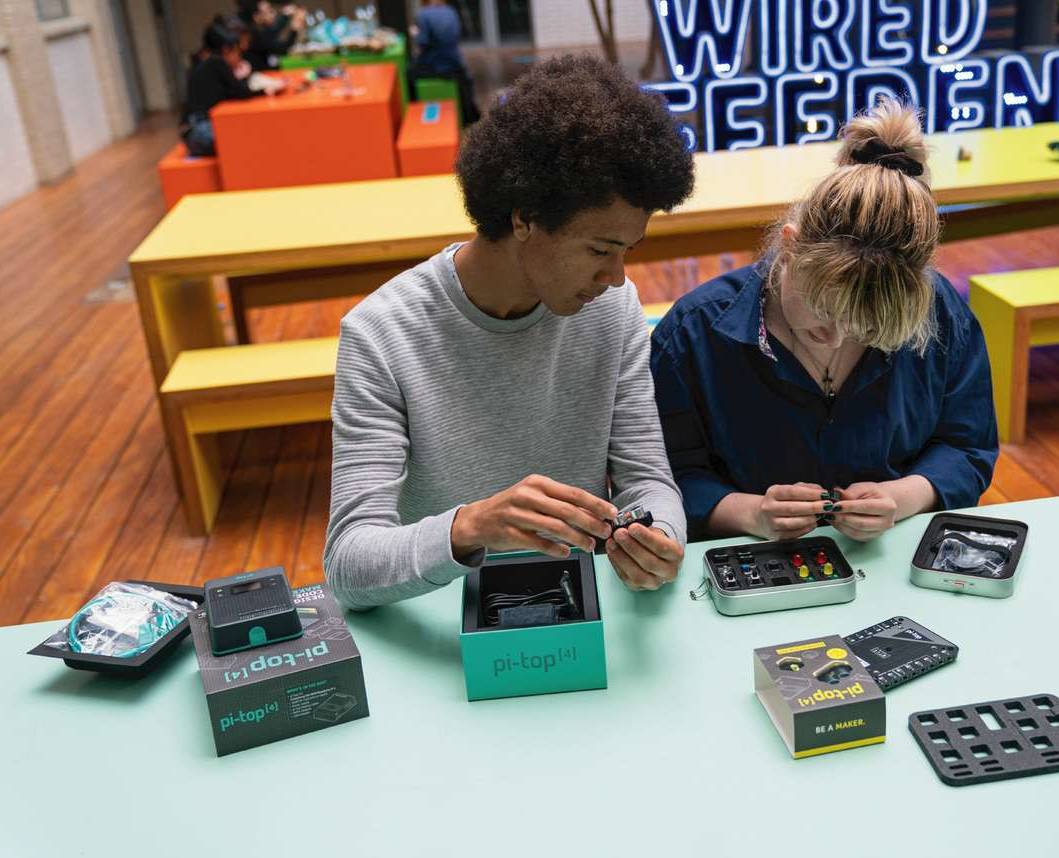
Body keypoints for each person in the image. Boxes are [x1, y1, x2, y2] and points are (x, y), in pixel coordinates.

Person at [323, 55, 696, 611]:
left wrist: (659, 535)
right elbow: (348, 564)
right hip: (439, 619)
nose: (616, 277)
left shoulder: (612, 310)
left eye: (627, 250)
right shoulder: (380, 335)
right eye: (599, 249)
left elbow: (647, 480)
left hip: (573, 607)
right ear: (523, 218)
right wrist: (470, 527)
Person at [650, 98, 998, 544]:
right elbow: (663, 475)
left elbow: (968, 446)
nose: (836, 340)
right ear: (790, 248)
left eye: (867, 330)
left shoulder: (941, 314)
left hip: (892, 556)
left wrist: (903, 497)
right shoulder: (692, 336)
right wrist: (749, 513)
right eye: (824, 314)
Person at [180, 23, 262, 156]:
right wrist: (264, 90)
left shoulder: (204, 64)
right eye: (237, 52)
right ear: (226, 50)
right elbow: (241, 92)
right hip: (200, 131)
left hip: (192, 132)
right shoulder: (217, 62)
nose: (239, 57)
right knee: (248, 141)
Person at [408, 0, 480, 125]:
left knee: (409, 74)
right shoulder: (450, 11)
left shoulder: (423, 15)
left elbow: (423, 42)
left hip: (436, 65)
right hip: (455, 63)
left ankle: (415, 117)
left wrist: (415, 33)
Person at [239, 0, 305, 71]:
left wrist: (286, 17)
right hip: (261, 73)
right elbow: (282, 49)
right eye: (268, 12)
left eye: (271, 10)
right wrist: (293, 30)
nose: (273, 13)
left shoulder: (261, 31)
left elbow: (273, 32)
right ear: (256, 17)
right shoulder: (255, 34)